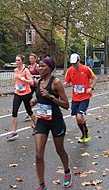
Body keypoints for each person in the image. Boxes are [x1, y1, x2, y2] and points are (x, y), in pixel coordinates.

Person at [30, 57, 72, 190]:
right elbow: (38, 97)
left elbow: (66, 105)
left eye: (43, 66)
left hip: (56, 121)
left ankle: (67, 172)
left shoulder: (56, 83)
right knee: (38, 154)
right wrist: (34, 101)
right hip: (42, 120)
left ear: (50, 67)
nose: (40, 68)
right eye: (39, 66)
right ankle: (42, 184)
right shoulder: (38, 82)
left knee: (59, 150)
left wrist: (51, 97)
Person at [64, 53, 97, 143]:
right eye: (72, 63)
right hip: (75, 97)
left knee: (79, 117)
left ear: (79, 61)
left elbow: (95, 78)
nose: (74, 65)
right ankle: (84, 133)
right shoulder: (70, 70)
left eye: (75, 63)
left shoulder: (86, 69)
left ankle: (85, 132)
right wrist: (60, 86)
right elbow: (67, 83)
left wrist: (91, 87)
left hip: (85, 97)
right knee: (77, 118)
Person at [7, 55, 34, 141]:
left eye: (18, 60)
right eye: (16, 60)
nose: (17, 62)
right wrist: (16, 86)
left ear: (22, 61)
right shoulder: (15, 70)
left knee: (29, 111)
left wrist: (24, 80)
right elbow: (17, 80)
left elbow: (31, 82)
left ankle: (37, 126)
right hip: (18, 93)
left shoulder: (25, 70)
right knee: (14, 111)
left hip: (26, 93)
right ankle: (14, 132)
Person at [25, 53, 40, 126]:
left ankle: (40, 112)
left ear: (35, 59)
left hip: (37, 85)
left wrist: (34, 76)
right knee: (28, 99)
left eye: (32, 58)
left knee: (38, 98)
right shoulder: (29, 67)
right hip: (30, 85)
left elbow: (41, 74)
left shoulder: (37, 66)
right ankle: (29, 112)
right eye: (30, 58)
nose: (30, 60)